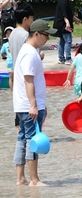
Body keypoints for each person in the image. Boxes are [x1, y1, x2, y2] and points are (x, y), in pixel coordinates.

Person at [13, 19, 55, 186]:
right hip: (28, 106)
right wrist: (34, 105)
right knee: (33, 140)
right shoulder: (30, 53)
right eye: (46, 36)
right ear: (36, 34)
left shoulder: (28, 50)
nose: (47, 40)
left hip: (23, 105)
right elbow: (28, 80)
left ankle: (20, 178)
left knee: (22, 138)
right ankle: (34, 180)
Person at [8, 4, 33, 90]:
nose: (32, 20)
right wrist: (40, 55)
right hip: (26, 76)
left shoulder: (12, 34)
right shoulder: (26, 35)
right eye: (31, 18)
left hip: (16, 75)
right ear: (25, 19)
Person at [54, 0, 75, 65]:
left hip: (60, 24)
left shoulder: (64, 1)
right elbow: (64, 13)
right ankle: (68, 58)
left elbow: (68, 13)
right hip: (63, 24)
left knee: (62, 41)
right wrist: (67, 23)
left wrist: (75, 19)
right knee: (68, 41)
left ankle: (61, 58)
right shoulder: (63, 1)